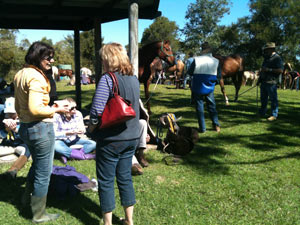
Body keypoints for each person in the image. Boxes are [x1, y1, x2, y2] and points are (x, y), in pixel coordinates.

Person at [14, 41, 68, 223]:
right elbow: (36, 109)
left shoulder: (21, 73)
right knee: (44, 174)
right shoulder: (36, 77)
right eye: (48, 57)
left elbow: (17, 106)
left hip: (25, 127)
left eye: (52, 57)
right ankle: (39, 214)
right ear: (37, 56)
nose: (51, 60)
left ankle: (25, 200)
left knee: (37, 166)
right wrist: (57, 110)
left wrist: (25, 118)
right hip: (40, 128)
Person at [88, 42, 140, 225]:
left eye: (103, 58)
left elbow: (96, 112)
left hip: (111, 139)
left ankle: (108, 223)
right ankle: (129, 220)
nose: (101, 62)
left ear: (108, 59)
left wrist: (91, 129)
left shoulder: (107, 79)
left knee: (106, 180)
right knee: (125, 178)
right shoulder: (134, 78)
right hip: (132, 137)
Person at [187, 42, 221, 133]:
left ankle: (202, 128)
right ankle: (216, 125)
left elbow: (190, 72)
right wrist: (213, 83)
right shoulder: (216, 61)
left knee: (199, 107)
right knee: (212, 106)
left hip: (198, 85)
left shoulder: (196, 60)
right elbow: (219, 76)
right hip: (210, 86)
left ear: (202, 50)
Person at [53, 97, 96, 164]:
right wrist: (67, 133)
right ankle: (83, 156)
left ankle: (65, 155)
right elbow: (54, 134)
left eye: (75, 107)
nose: (75, 110)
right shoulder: (56, 116)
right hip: (60, 140)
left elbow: (82, 128)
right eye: (72, 108)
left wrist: (81, 131)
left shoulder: (78, 114)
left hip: (74, 139)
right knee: (56, 146)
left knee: (93, 144)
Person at [0, 97, 30, 178]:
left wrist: (15, 130)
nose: (10, 115)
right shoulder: (2, 113)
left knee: (27, 151)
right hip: (7, 143)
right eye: (8, 113)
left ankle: (13, 170)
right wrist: (6, 130)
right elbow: (2, 134)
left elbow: (28, 136)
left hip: (21, 143)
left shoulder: (26, 116)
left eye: (13, 113)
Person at [258, 42, 284, 121]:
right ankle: (262, 112)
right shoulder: (266, 58)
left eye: (267, 49)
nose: (265, 51)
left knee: (273, 99)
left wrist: (269, 70)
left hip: (272, 82)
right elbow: (263, 69)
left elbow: (280, 70)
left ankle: (274, 115)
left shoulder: (277, 58)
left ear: (271, 49)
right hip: (264, 81)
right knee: (263, 99)